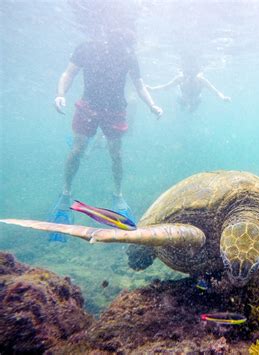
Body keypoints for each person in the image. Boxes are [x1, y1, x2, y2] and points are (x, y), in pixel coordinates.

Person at [49, 28, 163, 242]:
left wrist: (152, 105)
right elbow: (68, 73)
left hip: (115, 109)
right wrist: (60, 94)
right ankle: (65, 193)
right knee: (78, 150)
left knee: (116, 154)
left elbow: (139, 85)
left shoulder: (128, 54)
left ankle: (118, 196)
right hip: (88, 106)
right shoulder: (86, 48)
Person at [146, 60, 231, 113]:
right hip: (183, 98)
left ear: (196, 73)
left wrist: (223, 98)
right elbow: (166, 87)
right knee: (182, 107)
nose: (189, 77)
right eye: (186, 73)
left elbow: (215, 91)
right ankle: (183, 109)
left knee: (191, 111)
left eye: (192, 74)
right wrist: (152, 89)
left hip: (196, 99)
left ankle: (189, 111)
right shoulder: (180, 79)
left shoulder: (201, 80)